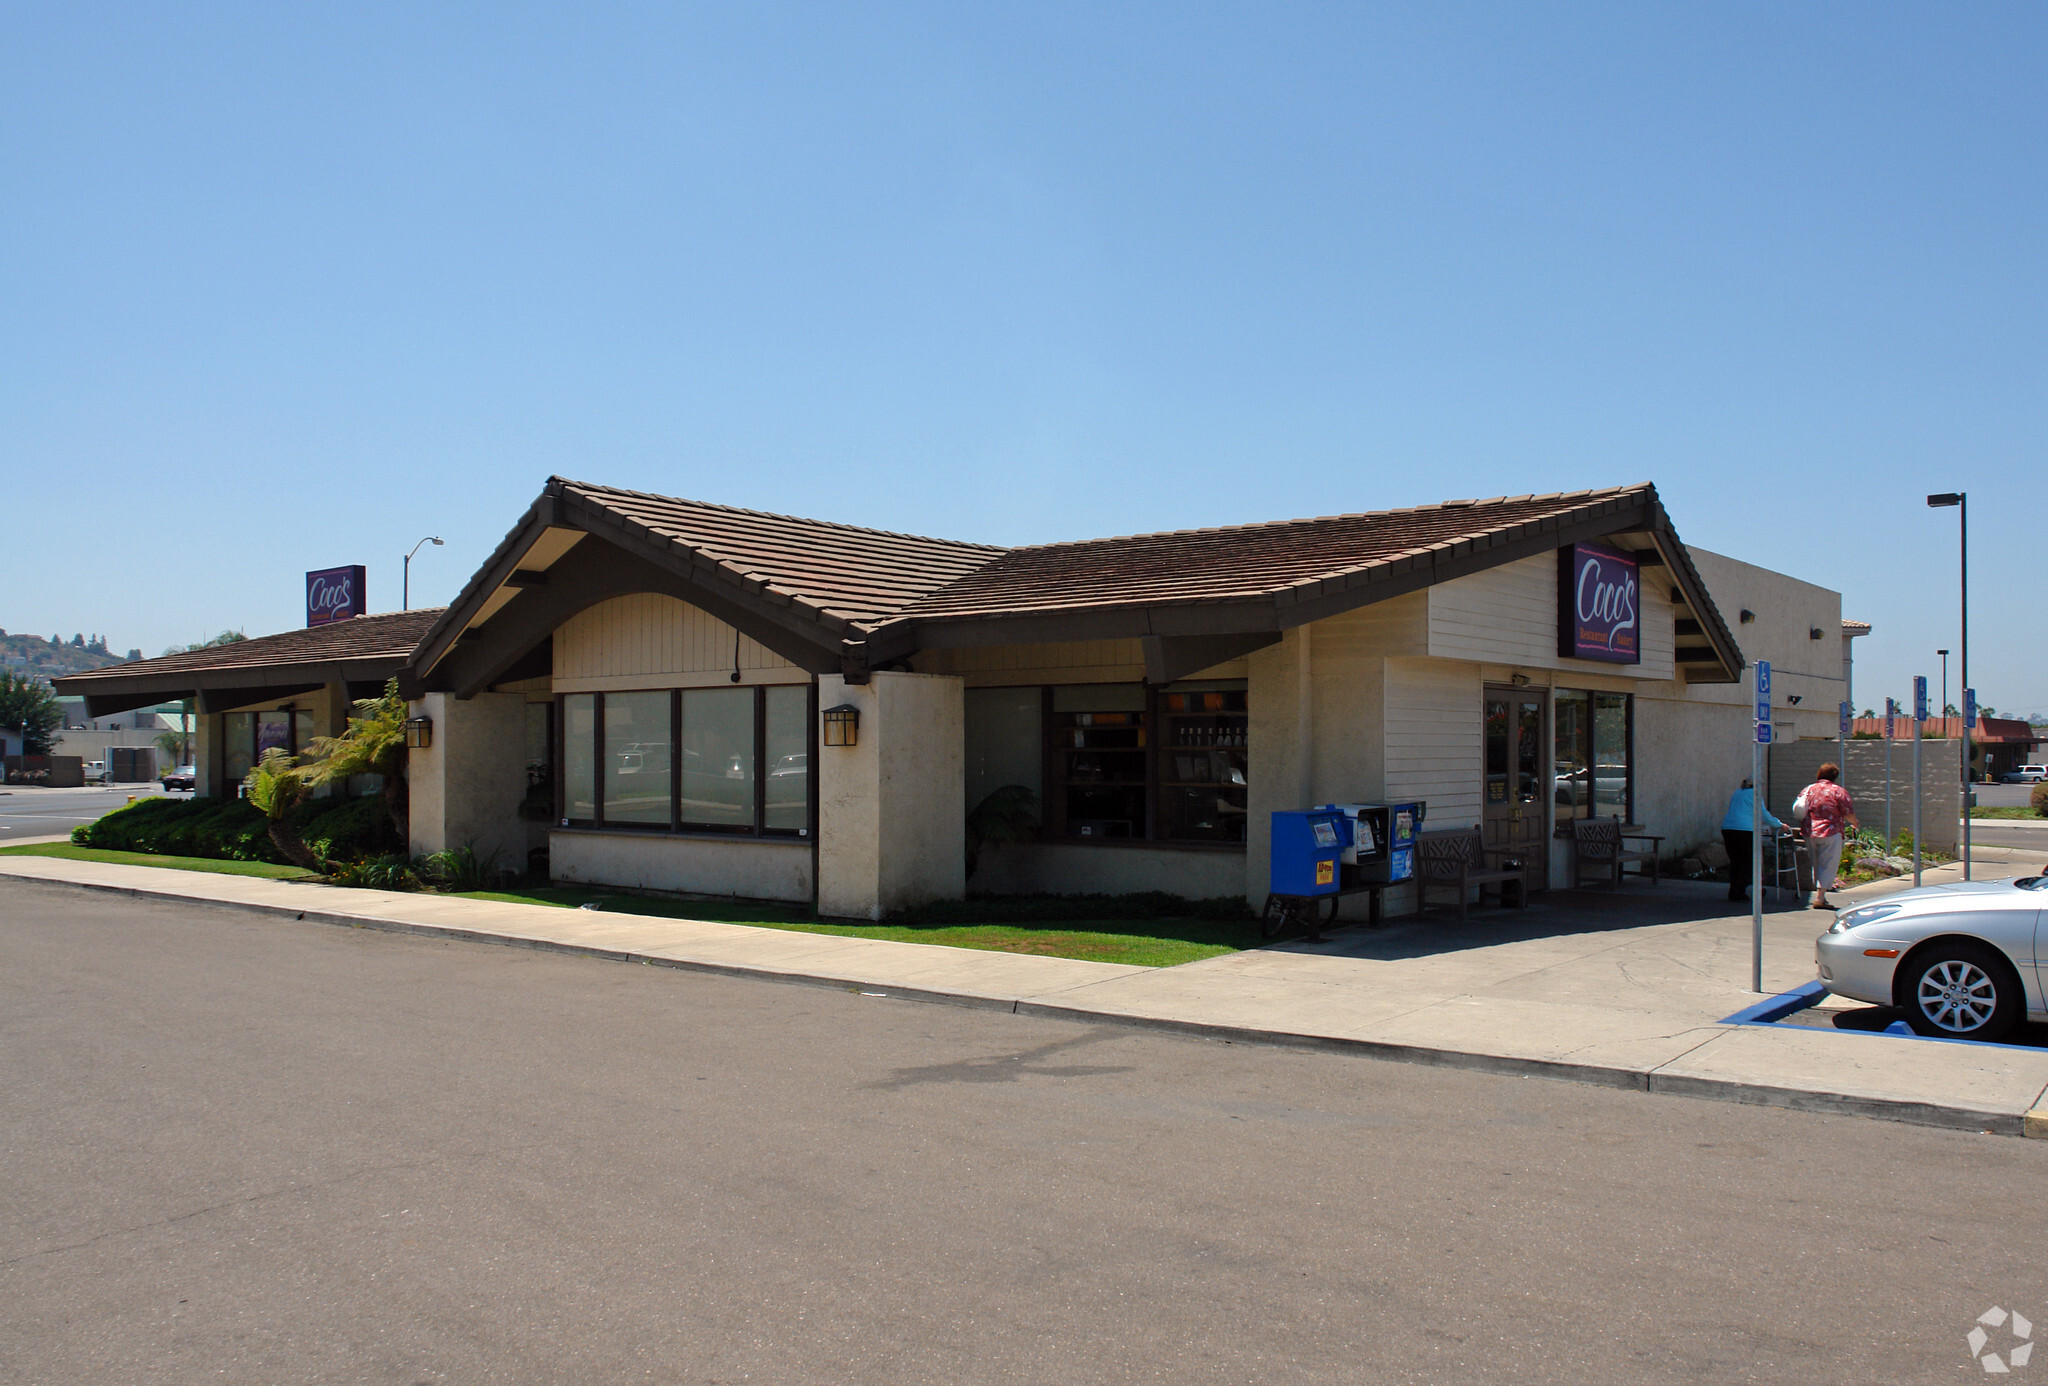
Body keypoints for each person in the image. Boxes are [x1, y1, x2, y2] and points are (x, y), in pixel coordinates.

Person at [1793, 762, 1858, 910]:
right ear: (1835, 776)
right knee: (1828, 864)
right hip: (1831, 831)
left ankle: (1819, 894)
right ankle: (1820, 897)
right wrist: (1855, 823)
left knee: (1816, 864)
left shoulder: (1808, 789)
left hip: (1809, 831)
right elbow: (1848, 812)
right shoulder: (1838, 791)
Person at [1721, 778, 1784, 903]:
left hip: (1728, 828)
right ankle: (1743, 889)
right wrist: (1779, 825)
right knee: (1749, 862)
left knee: (1736, 862)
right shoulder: (1755, 794)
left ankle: (1735, 891)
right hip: (1745, 830)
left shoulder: (1738, 792)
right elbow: (1763, 814)